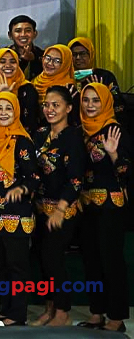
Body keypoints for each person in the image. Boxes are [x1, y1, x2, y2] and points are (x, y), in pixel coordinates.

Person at [0, 92, 39, 326]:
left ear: (16, 112)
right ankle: (6, 309)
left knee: (17, 267)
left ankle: (18, 314)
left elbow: (34, 178)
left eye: (8, 108)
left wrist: (21, 189)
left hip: (18, 215)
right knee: (1, 266)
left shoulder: (22, 141)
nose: (3, 113)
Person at [29, 86, 86, 326]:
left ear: (69, 108)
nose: (49, 109)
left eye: (56, 105)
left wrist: (61, 209)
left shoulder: (73, 137)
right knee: (43, 259)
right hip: (41, 209)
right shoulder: (40, 133)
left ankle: (63, 312)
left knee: (53, 259)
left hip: (63, 211)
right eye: (46, 105)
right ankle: (49, 308)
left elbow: (76, 180)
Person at [77, 83, 130, 333]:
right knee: (91, 259)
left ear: (106, 102)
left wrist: (113, 154)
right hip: (87, 205)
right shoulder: (81, 129)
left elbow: (126, 170)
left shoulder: (114, 129)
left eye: (96, 100)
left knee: (111, 261)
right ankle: (96, 312)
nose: (90, 105)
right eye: (86, 100)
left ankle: (116, 317)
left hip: (110, 205)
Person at [0, 48, 40, 132]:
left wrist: (8, 97)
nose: (8, 65)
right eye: (2, 62)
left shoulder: (27, 89)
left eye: (13, 62)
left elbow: (30, 120)